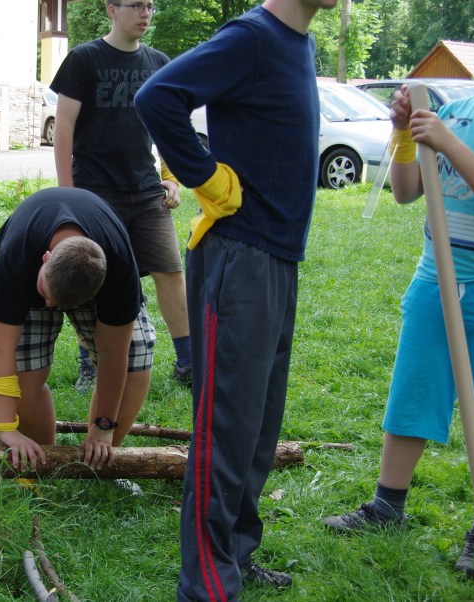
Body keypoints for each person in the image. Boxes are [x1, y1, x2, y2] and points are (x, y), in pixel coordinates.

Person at [134, 0, 337, 598]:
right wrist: (204, 177)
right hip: (240, 261)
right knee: (225, 431)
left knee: (257, 428)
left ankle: (235, 555)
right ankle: (207, 586)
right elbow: (157, 97)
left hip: (277, 259)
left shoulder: (298, 42)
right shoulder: (251, 37)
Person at [323, 83, 474, 579]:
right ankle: (387, 505)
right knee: (413, 390)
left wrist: (449, 144)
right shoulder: (453, 112)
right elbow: (409, 191)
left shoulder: (449, 128)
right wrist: (403, 133)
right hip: (437, 279)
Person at [49, 0, 191, 391]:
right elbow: (63, 128)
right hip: (94, 191)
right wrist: (68, 194)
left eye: (150, 5)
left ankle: (188, 362)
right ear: (112, 9)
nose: (145, 13)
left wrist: (172, 178)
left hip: (146, 191)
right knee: (94, 273)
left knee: (171, 272)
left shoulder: (159, 63)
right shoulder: (84, 58)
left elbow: (169, 128)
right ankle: (90, 362)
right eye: (136, 5)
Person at [0, 187, 154, 474]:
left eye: (56, 303)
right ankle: (43, 462)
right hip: (27, 265)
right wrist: (6, 428)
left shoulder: (119, 270)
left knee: (138, 355)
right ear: (45, 259)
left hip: (92, 275)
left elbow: (114, 353)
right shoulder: (16, 258)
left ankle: (99, 463)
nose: (49, 305)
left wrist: (104, 425)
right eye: (45, 294)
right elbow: (1, 349)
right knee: (25, 373)